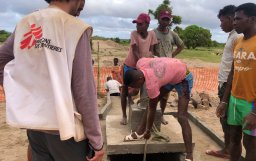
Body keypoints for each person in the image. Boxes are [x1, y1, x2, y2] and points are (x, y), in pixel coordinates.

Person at [0, 0, 105, 161]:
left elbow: (2, 59)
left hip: (35, 127)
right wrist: (97, 142)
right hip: (65, 131)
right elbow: (84, 91)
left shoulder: (25, 22)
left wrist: (18, 94)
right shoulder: (76, 28)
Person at [216, 3, 256, 161]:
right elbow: (233, 73)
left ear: (252, 19)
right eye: (234, 19)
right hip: (234, 99)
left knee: (249, 143)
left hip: (251, 103)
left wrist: (255, 112)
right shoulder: (238, 41)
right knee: (234, 138)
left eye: (238, 19)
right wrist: (224, 100)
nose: (234, 22)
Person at [123, 57, 194, 161]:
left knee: (182, 116)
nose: (135, 89)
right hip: (171, 74)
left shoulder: (152, 84)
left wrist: (148, 131)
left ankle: (189, 155)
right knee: (152, 102)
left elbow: (152, 109)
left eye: (134, 86)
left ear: (140, 79)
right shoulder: (140, 63)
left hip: (184, 77)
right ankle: (139, 133)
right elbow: (152, 57)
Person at [206, 5, 238, 159]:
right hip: (225, 84)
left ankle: (228, 150)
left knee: (226, 120)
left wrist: (226, 92)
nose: (220, 24)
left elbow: (236, 66)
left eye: (222, 20)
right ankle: (228, 148)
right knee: (226, 120)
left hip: (228, 85)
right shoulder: (232, 35)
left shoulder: (237, 37)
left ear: (231, 18)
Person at [120, 13, 158, 125]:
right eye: (136, 24)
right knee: (125, 89)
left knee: (138, 89)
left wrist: (150, 61)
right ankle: (124, 115)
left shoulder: (152, 34)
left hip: (143, 67)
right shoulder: (134, 34)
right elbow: (135, 50)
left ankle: (141, 111)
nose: (137, 26)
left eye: (140, 24)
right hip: (130, 65)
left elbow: (152, 50)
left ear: (147, 24)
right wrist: (143, 63)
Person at [153, 9, 185, 125]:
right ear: (158, 19)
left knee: (165, 95)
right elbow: (149, 51)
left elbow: (181, 46)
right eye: (163, 19)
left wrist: (172, 55)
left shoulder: (172, 34)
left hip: (169, 70)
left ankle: (161, 115)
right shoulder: (153, 33)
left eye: (167, 19)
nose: (165, 21)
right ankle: (151, 115)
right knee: (154, 93)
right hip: (156, 69)